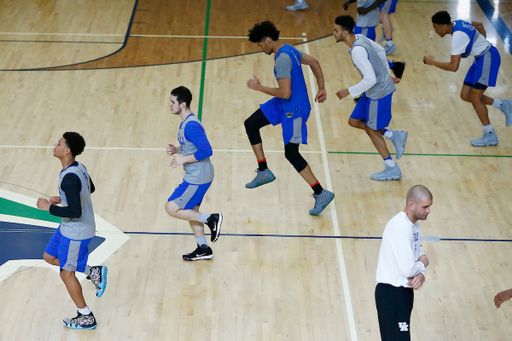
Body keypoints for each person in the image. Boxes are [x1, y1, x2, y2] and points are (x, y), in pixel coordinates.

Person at [245, 20, 334, 216]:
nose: (260, 49)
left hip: (293, 110)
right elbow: (314, 62)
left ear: (268, 40)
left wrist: (259, 87)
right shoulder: (289, 49)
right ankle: (263, 171)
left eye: (260, 45)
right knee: (251, 124)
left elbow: (285, 93)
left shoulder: (282, 59)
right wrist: (321, 87)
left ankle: (320, 193)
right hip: (283, 105)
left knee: (291, 154)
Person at [36, 132, 108, 330]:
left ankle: (85, 316)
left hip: (76, 231)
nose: (55, 145)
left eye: (59, 143)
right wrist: (62, 198)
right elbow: (89, 188)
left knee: (66, 274)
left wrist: (48, 207)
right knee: (49, 256)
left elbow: (75, 212)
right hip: (68, 227)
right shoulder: (78, 167)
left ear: (67, 150)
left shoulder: (69, 178)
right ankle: (92, 271)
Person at [333, 15, 407, 181]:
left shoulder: (357, 51)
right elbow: (380, 50)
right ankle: (393, 135)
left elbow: (370, 79)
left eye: (336, 30)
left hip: (378, 92)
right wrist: (387, 73)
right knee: (354, 121)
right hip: (373, 90)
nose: (333, 33)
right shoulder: (359, 38)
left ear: (344, 33)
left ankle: (392, 168)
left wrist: (348, 91)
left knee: (371, 129)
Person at [424, 11, 512, 147]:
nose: (435, 31)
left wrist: (433, 62)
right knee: (466, 95)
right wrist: (482, 42)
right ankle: (503, 105)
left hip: (488, 58)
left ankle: (490, 135)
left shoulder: (457, 37)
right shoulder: (458, 22)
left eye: (436, 27)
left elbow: (454, 67)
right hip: (480, 58)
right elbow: (479, 24)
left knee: (475, 97)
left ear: (445, 27)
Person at [165, 86, 222, 261]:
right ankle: (203, 247)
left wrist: (183, 159)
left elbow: (206, 150)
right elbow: (192, 146)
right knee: (191, 211)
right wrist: (177, 149)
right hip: (199, 175)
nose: (170, 104)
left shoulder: (191, 126)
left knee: (171, 208)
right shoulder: (185, 123)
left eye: (173, 101)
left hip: (197, 176)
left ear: (183, 104)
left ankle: (211, 219)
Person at [375, 185, 433, 340]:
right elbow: (409, 269)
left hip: (403, 294)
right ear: (411, 205)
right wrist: (421, 267)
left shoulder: (413, 224)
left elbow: (418, 255)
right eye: (425, 207)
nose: (428, 211)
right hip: (391, 294)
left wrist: (421, 274)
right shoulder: (401, 227)